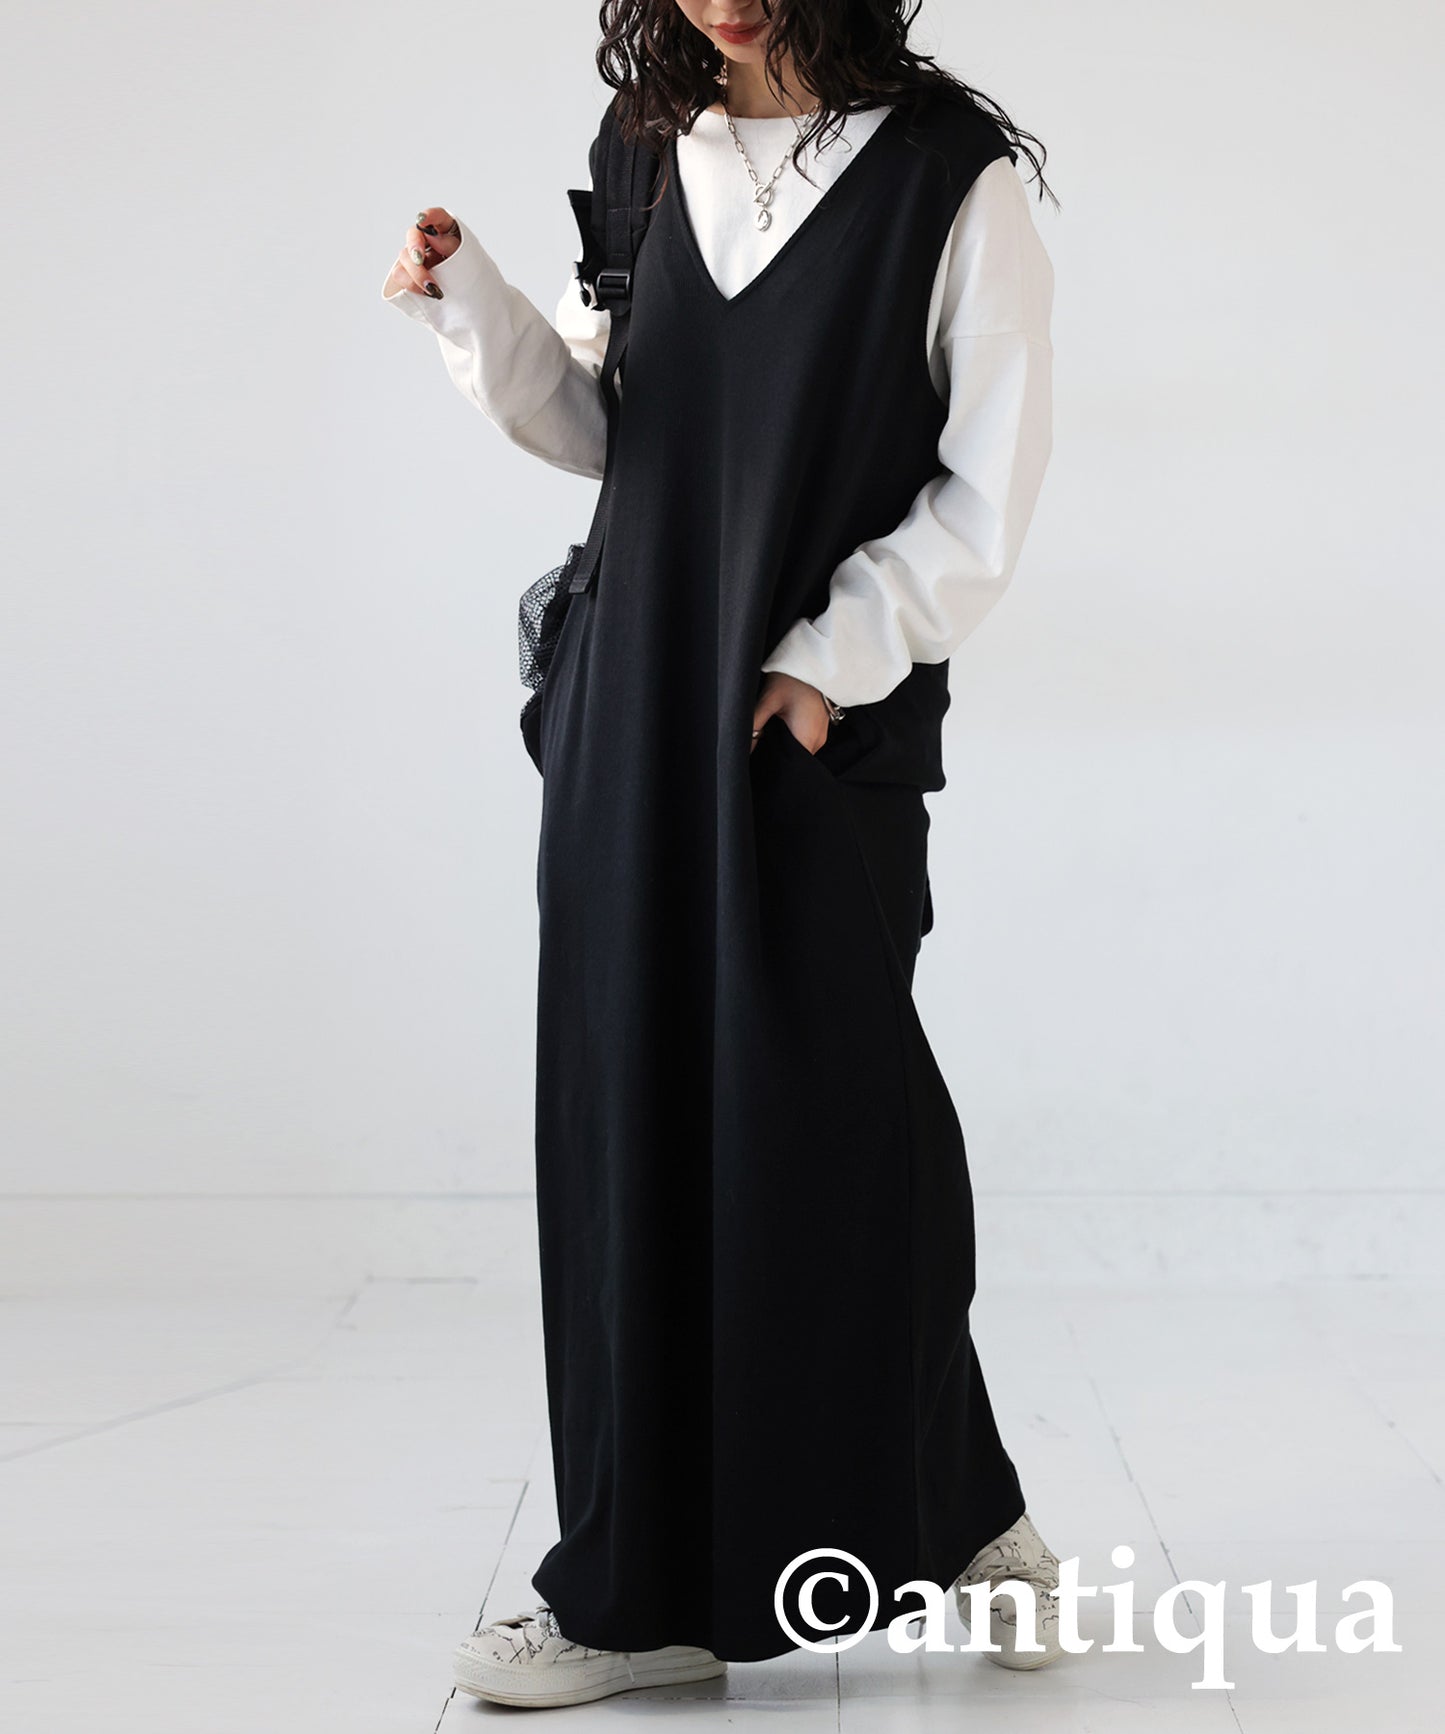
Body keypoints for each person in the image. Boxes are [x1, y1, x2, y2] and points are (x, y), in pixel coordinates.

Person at [382, 0, 1063, 1709]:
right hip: (630, 700)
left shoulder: (946, 180)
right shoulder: (641, 154)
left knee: (837, 1124)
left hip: (807, 721)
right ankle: (639, 1590)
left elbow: (987, 488)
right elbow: (611, 432)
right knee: (629, 1122)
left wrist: (828, 664)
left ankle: (957, 1504)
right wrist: (468, 306)